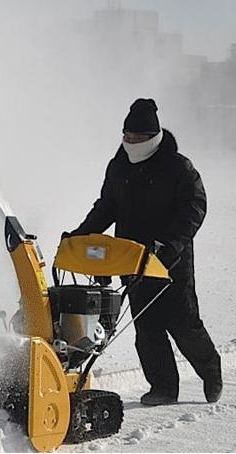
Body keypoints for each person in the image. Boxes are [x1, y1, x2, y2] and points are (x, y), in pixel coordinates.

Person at [64, 98, 222, 406]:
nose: (130, 143)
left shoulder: (178, 168)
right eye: (126, 137)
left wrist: (170, 244)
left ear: (153, 137)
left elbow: (195, 207)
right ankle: (163, 387)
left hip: (170, 260)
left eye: (137, 138)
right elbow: (106, 206)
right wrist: (81, 234)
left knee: (183, 323)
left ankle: (211, 371)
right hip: (132, 258)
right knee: (147, 328)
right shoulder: (119, 166)